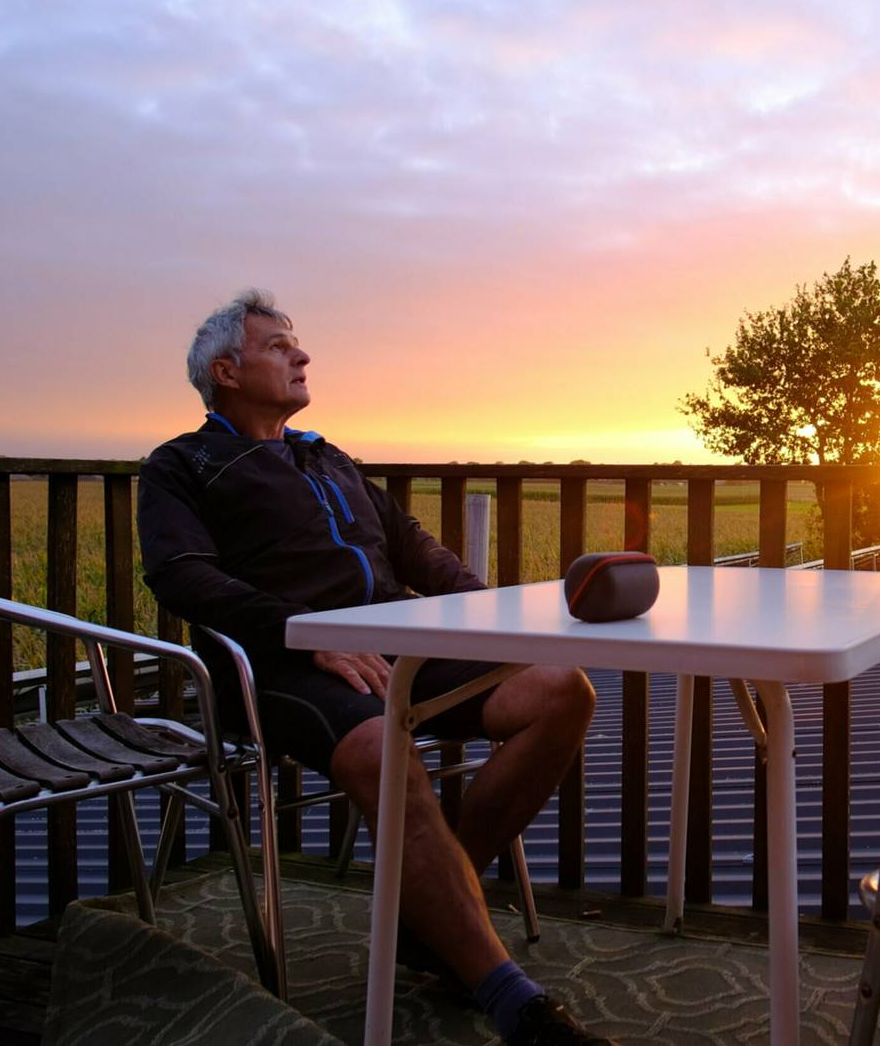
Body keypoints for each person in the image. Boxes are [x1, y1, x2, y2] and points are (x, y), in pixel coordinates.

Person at [138, 289, 611, 1046]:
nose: (302, 355)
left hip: (394, 646)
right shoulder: (182, 466)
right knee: (380, 749)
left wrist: (492, 613)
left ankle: (425, 914)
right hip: (277, 665)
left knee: (561, 689)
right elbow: (181, 574)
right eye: (279, 345)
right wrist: (301, 631)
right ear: (225, 370)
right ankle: (514, 1001)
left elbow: (416, 548)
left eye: (298, 343)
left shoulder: (326, 456)